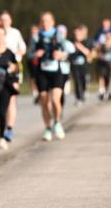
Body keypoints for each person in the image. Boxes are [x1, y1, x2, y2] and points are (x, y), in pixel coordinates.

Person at [32, 11, 68, 141]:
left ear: (53, 22)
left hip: (56, 71)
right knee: (44, 101)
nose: (45, 23)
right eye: (43, 21)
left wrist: (61, 55)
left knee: (55, 101)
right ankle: (47, 128)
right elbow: (30, 54)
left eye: (47, 21)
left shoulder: (59, 36)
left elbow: (67, 51)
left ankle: (57, 122)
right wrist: (36, 54)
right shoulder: (36, 37)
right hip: (42, 72)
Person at [70, 24, 92, 104]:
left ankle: (83, 94)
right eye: (75, 34)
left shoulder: (86, 41)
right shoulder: (71, 42)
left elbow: (88, 52)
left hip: (84, 66)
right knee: (76, 81)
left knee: (83, 81)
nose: (76, 35)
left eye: (78, 33)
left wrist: (79, 46)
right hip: (74, 65)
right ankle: (78, 98)